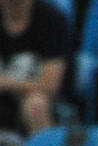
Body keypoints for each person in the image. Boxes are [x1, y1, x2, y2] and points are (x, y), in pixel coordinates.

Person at [0, 0, 69, 136]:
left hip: (38, 99)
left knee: (36, 104)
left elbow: (50, 85)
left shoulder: (51, 20)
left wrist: (6, 83)